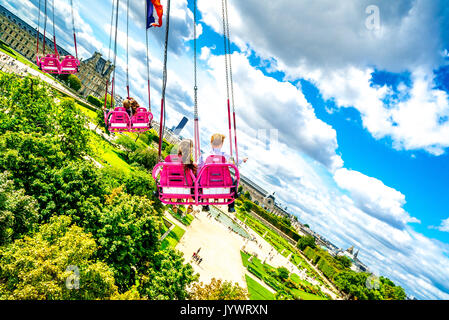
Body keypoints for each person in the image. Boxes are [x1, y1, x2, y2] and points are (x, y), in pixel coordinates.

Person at [199, 133, 248, 213]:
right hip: (222, 184)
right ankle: (231, 205)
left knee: (200, 177)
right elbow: (235, 161)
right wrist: (242, 159)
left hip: (207, 183)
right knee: (233, 180)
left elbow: (198, 166)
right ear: (221, 144)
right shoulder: (225, 155)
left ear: (211, 143)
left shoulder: (204, 156)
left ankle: (205, 205)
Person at [171, 139, 197, 214]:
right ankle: (190, 205)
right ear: (190, 151)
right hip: (186, 188)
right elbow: (194, 178)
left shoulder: (170, 159)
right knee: (192, 186)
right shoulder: (192, 164)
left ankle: (174, 204)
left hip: (173, 187)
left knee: (173, 185)